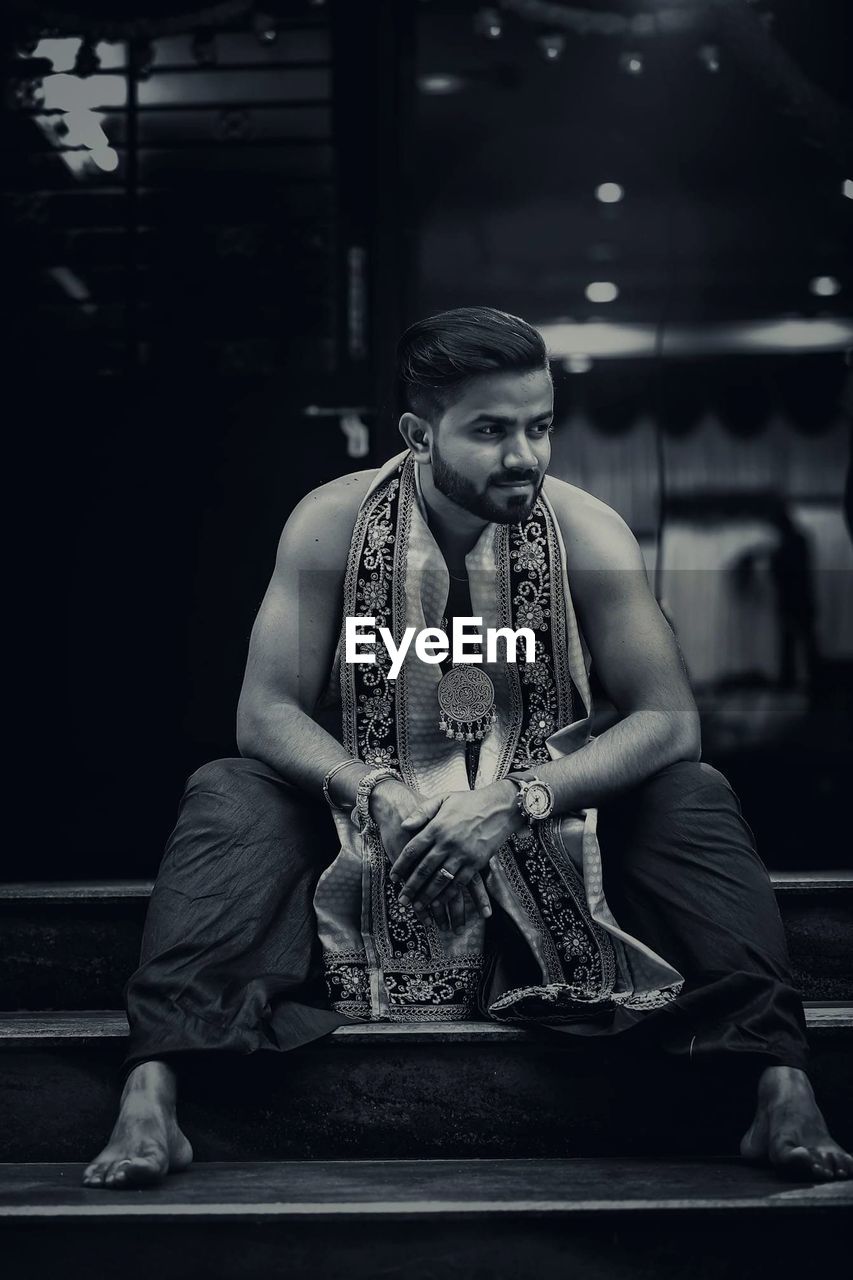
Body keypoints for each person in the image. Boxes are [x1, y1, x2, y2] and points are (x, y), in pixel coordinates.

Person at [83, 307, 851, 1189]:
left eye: (539, 425)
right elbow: (263, 714)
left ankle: (777, 1085)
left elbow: (668, 719)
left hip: (547, 824)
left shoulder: (585, 529)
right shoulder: (331, 522)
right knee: (228, 788)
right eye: (490, 430)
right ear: (418, 433)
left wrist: (520, 798)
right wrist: (367, 785)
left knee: (692, 788)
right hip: (368, 830)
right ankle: (154, 1090)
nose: (524, 454)